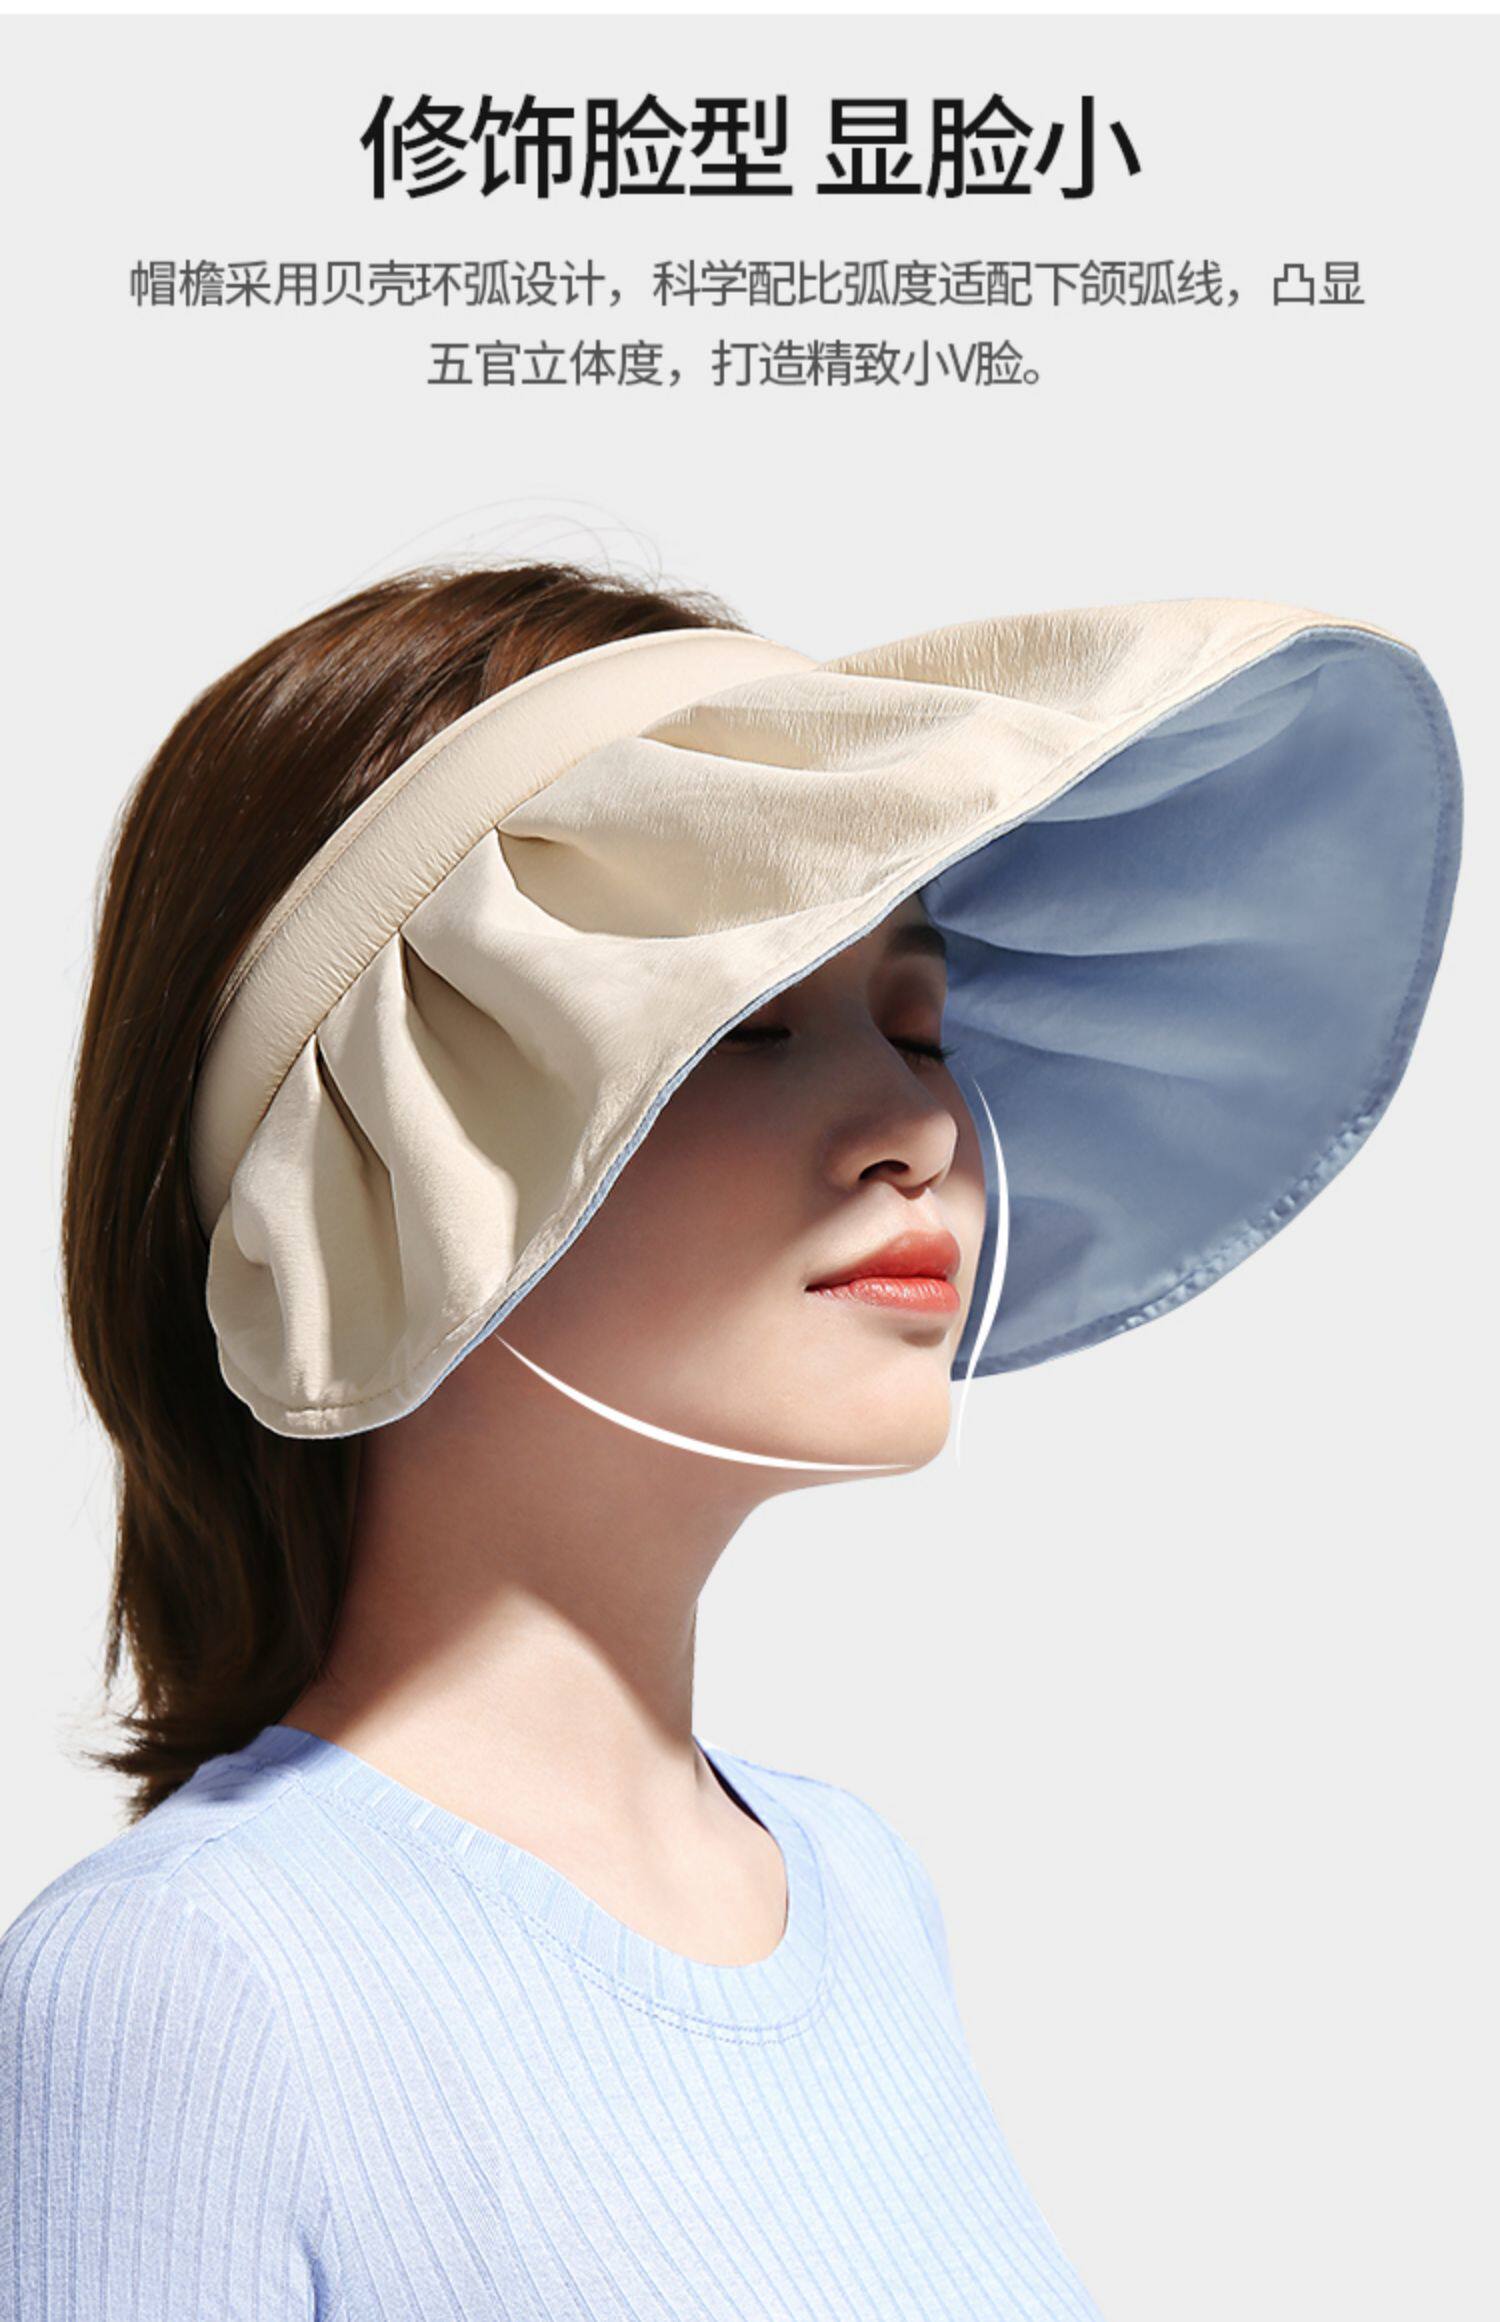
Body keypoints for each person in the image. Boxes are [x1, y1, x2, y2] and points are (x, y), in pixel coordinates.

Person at [0, 560, 1461, 2320]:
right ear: (387, 1169)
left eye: (916, 1024)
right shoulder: (190, 1981)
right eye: (743, 1024)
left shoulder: (855, 1884)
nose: (921, 1124)